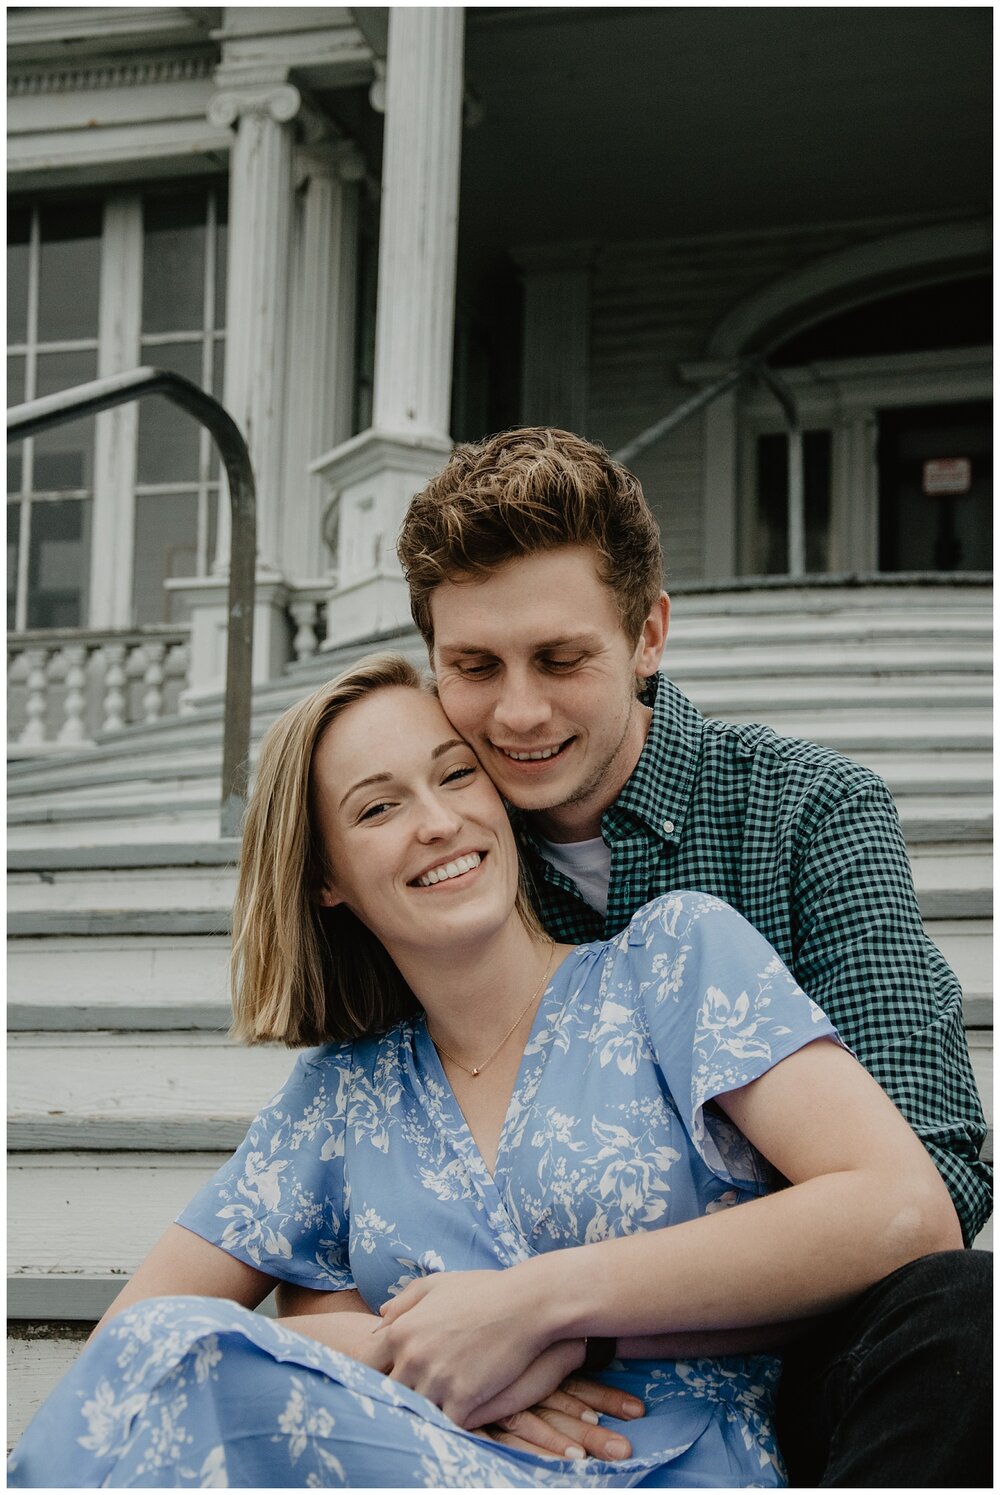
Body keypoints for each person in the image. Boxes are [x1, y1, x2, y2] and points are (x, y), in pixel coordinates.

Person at [8, 655, 961, 1489]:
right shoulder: (341, 1094)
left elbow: (902, 1207)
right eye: (378, 806)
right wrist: (410, 1356)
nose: (437, 821)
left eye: (456, 774)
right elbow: (134, 1342)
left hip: (660, 1467)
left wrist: (535, 1309)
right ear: (325, 878)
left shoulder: (671, 958)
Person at [395, 426, 992, 1487]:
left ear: (649, 634)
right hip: (540, 1413)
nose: (518, 711)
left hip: (795, 1353)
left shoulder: (808, 809)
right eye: (474, 667)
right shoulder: (438, 862)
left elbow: (936, 1168)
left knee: (963, 1319)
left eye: (563, 658)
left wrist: (563, 1319)